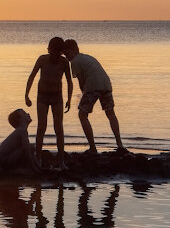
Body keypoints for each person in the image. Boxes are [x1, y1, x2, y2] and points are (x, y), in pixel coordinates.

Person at [62, 39, 126, 154]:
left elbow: (82, 82)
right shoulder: (87, 57)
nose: (67, 57)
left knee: (82, 115)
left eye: (67, 54)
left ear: (74, 50)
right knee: (110, 113)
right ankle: (119, 144)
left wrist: (82, 95)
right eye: (65, 55)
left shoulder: (75, 62)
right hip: (106, 83)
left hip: (93, 85)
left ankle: (93, 147)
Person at [24, 36, 73, 169]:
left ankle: (61, 161)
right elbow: (32, 75)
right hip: (42, 97)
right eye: (52, 51)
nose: (54, 55)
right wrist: (26, 95)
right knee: (41, 127)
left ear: (61, 52)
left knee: (59, 129)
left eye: (57, 52)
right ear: (49, 49)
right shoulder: (42, 59)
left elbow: (69, 81)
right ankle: (38, 159)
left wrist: (69, 99)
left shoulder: (64, 62)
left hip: (57, 98)